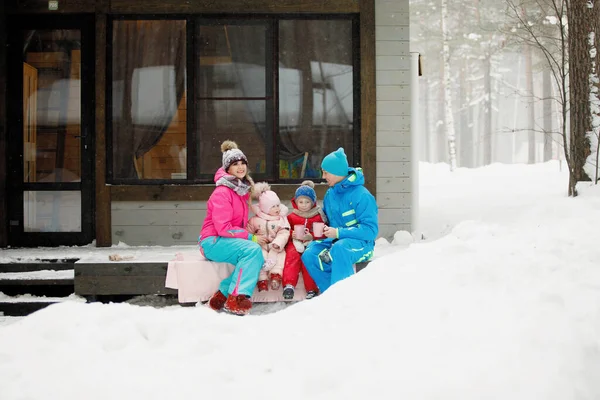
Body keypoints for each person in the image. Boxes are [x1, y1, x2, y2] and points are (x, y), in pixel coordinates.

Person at [198, 140, 267, 316]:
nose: (241, 167)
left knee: (255, 256)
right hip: (213, 241)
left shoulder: (239, 190)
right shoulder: (222, 192)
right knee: (252, 251)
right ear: (227, 168)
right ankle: (236, 297)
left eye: (243, 163)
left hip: (225, 240)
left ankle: (222, 294)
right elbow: (223, 228)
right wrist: (250, 237)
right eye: (235, 164)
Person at [301, 148, 378, 293]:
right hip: (335, 240)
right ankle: (329, 293)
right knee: (310, 253)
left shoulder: (362, 196)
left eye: (326, 172)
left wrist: (338, 232)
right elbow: (327, 222)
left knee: (340, 249)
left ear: (337, 172)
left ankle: (342, 296)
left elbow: (370, 231)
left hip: (362, 244)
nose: (323, 177)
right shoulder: (331, 194)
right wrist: (313, 232)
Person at [282, 180, 326, 300]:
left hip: (311, 243)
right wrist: (292, 234)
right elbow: (284, 229)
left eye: (307, 202)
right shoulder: (292, 216)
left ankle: (311, 289)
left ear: (313, 202)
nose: (304, 205)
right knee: (292, 256)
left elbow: (322, 231)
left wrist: (311, 236)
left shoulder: (318, 216)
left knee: (308, 259)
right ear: (296, 202)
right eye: (300, 202)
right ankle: (289, 285)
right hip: (294, 243)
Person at [247, 182, 291, 292]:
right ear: (265, 208)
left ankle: (275, 276)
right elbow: (247, 232)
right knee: (260, 257)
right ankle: (262, 280)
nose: (277, 208)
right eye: (273, 206)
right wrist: (254, 238)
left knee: (280, 257)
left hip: (275, 247)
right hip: (261, 246)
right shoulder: (255, 220)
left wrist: (277, 243)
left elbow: (284, 232)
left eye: (277, 205)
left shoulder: (281, 219)